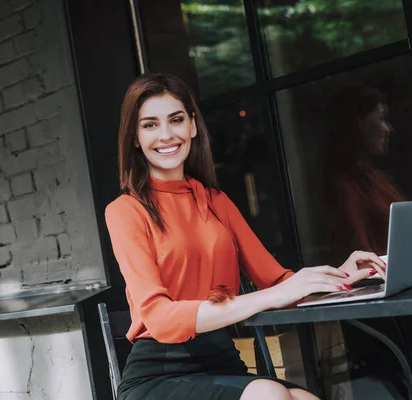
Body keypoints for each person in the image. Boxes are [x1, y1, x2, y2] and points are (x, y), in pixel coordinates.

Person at [104, 73, 386, 400]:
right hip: (158, 373)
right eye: (150, 125)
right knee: (269, 394)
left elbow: (277, 281)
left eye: (176, 120)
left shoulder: (216, 202)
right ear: (135, 138)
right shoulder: (126, 211)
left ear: (192, 126)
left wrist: (343, 276)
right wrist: (267, 299)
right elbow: (161, 319)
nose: (166, 134)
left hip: (222, 360)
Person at [317, 83, 412, 266]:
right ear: (357, 124)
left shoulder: (371, 178)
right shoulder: (344, 186)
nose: (387, 129)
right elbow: (361, 257)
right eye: (381, 118)